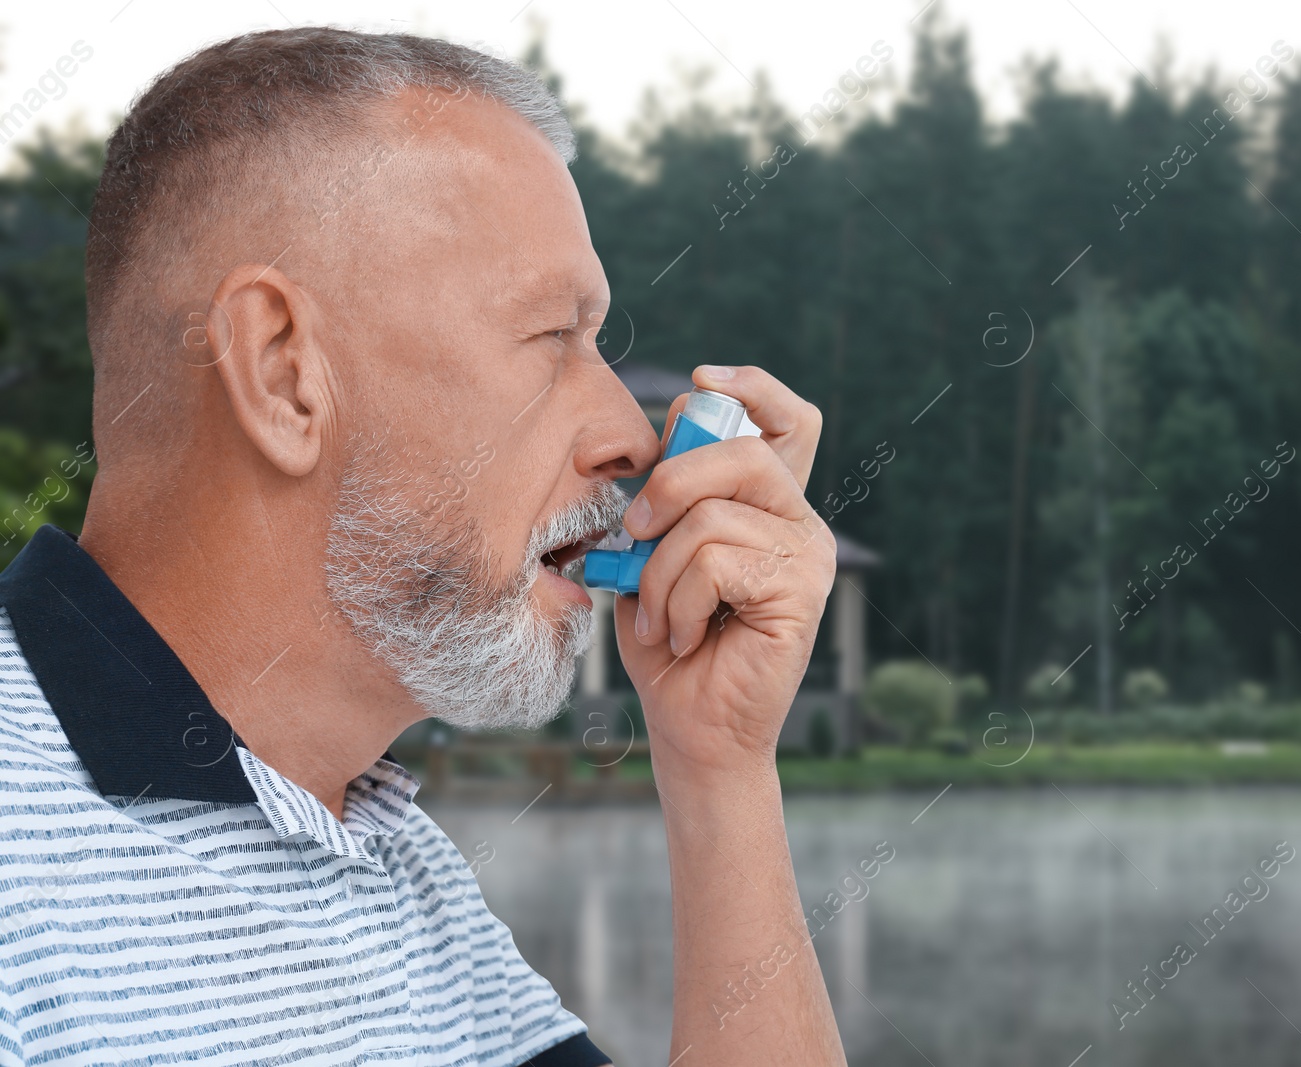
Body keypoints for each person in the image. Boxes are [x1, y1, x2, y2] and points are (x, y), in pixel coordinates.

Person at [0, 27, 845, 1067]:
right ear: (281, 375)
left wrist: (718, 766)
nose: (631, 430)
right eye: (551, 337)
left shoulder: (394, 861)